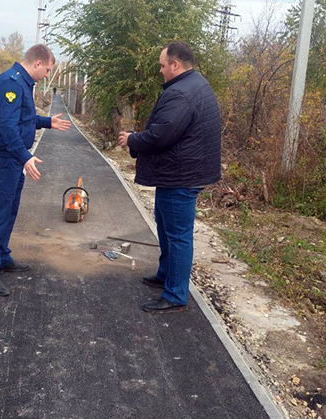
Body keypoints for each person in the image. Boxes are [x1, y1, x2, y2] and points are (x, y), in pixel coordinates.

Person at [117, 41, 221, 313]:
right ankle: (165, 275)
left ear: (175, 64)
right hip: (181, 172)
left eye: (163, 65)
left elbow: (161, 134)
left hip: (180, 176)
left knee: (178, 235)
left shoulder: (181, 93)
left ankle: (175, 294)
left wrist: (132, 139)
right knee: (165, 227)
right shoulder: (196, 84)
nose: (161, 71)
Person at [0, 44, 71, 296]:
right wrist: (25, 157)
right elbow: (8, 127)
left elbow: (24, 118)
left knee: (9, 210)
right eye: (48, 70)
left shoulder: (22, 83)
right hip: (2, 159)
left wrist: (47, 122)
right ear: (38, 63)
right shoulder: (11, 83)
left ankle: (2, 256)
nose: (46, 75)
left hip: (11, 160)